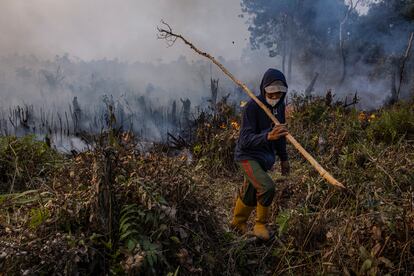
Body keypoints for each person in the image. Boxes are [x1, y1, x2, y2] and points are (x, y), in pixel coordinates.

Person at [231, 68, 290, 241]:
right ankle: (260, 225)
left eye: (279, 94)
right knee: (267, 187)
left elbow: (280, 138)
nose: (274, 98)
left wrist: (284, 159)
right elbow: (245, 139)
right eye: (271, 94)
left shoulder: (279, 108)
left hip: (264, 159)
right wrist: (267, 136)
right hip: (247, 157)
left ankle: (237, 224)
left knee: (250, 191)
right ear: (264, 89)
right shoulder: (252, 107)